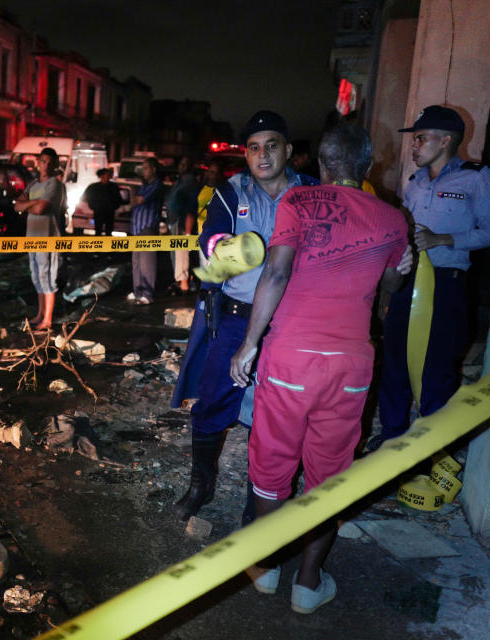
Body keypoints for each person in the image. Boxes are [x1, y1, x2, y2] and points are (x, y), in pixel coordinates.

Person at [229, 123, 411, 613]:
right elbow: (389, 291)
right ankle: (308, 584)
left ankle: (266, 569)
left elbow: (278, 270)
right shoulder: (395, 220)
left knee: (271, 464)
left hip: (292, 356)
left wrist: (249, 344)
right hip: (351, 364)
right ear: (368, 167)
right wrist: (400, 268)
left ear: (321, 165)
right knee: (330, 476)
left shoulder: (298, 203)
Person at [169, 110, 319, 522]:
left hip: (291, 321)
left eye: (272, 145)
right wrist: (223, 247)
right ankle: (201, 484)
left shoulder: (311, 191)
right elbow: (210, 237)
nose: (263, 154)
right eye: (254, 148)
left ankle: (263, 498)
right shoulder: (231, 192)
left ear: (288, 150)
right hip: (237, 318)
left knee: (281, 411)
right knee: (214, 398)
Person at [372, 105, 490, 450]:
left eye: (420, 139)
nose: (414, 147)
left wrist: (443, 239)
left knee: (437, 368)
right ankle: (392, 440)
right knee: (395, 360)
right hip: (408, 280)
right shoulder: (414, 182)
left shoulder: (476, 177)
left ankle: (433, 449)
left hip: (447, 282)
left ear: (445, 141)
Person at [14, 147, 66, 331]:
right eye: (43, 161)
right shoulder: (33, 184)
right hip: (32, 238)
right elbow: (16, 207)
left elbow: (40, 209)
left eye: (50, 162)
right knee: (36, 276)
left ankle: (48, 319)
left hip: (48, 238)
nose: (46, 165)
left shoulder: (55, 184)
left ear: (55, 165)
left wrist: (27, 205)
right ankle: (40, 313)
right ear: (38, 163)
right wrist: (32, 204)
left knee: (47, 277)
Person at [126, 157, 164, 305]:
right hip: (136, 228)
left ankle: (148, 293)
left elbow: (140, 200)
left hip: (147, 227)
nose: (144, 171)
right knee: (136, 261)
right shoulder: (144, 185)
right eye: (143, 168)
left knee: (147, 262)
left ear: (154, 169)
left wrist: (133, 200)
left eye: (146, 168)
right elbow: (135, 200)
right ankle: (137, 291)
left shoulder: (156, 185)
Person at [166, 156, 200, 294]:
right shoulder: (180, 181)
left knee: (181, 253)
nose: (181, 166)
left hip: (182, 221)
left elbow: (190, 206)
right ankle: (181, 281)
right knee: (176, 252)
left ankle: (184, 283)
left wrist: (187, 230)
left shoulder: (190, 182)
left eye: (185, 164)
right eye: (181, 163)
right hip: (174, 220)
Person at [80, 168, 123, 236]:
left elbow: (118, 199)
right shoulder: (94, 187)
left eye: (109, 175)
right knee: (98, 231)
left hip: (109, 213)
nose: (108, 177)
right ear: (102, 176)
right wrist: (94, 207)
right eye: (107, 175)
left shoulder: (113, 186)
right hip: (98, 212)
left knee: (108, 232)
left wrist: (113, 207)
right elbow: (87, 197)